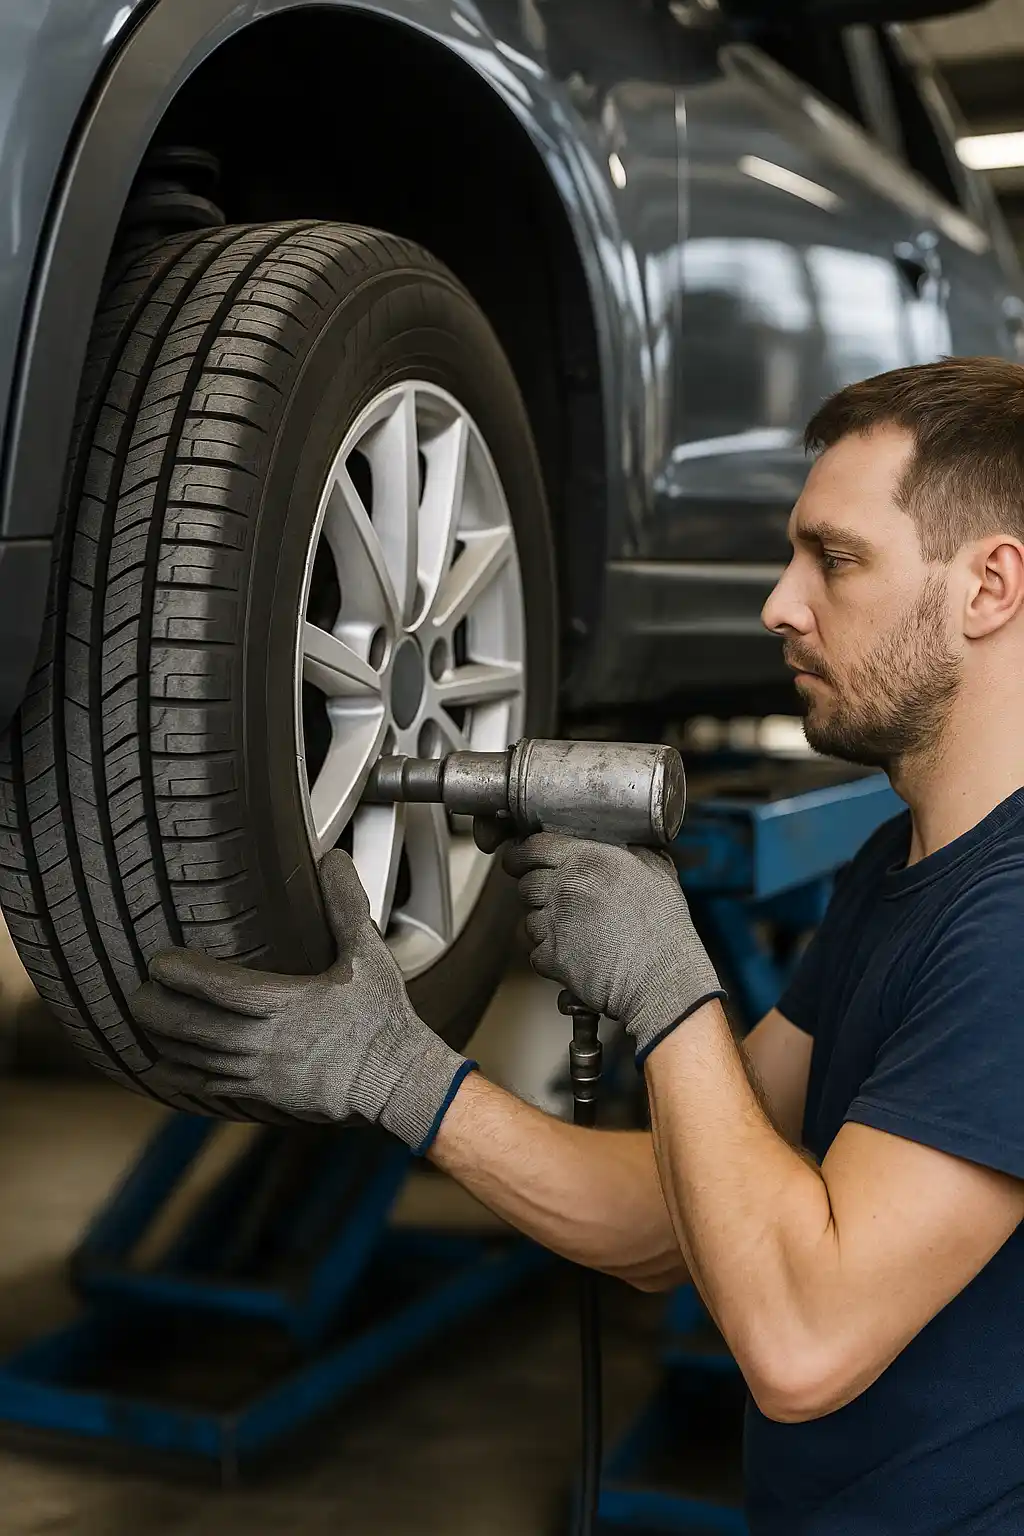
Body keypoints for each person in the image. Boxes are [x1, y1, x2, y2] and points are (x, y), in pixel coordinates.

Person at [131, 356, 1024, 1534]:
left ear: (989, 586)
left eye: (835, 559)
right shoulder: (898, 872)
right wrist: (401, 1077)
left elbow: (804, 1341)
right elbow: (671, 1221)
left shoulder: (1011, 925)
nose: (779, 602)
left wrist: (667, 992)